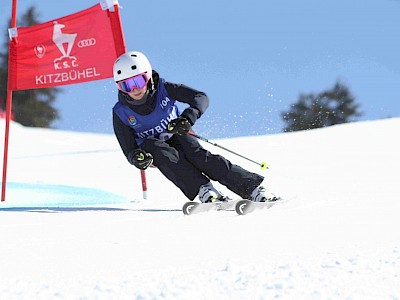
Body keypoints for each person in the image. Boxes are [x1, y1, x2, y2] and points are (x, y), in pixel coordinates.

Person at [112, 51, 277, 203]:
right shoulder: (121, 112)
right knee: (157, 149)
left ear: (147, 76)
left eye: (138, 81)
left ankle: (253, 189)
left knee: (199, 156)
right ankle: (204, 190)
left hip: (177, 132)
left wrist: (187, 118)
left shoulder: (164, 88)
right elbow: (129, 148)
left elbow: (200, 97)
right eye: (126, 85)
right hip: (156, 149)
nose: (134, 89)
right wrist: (137, 157)